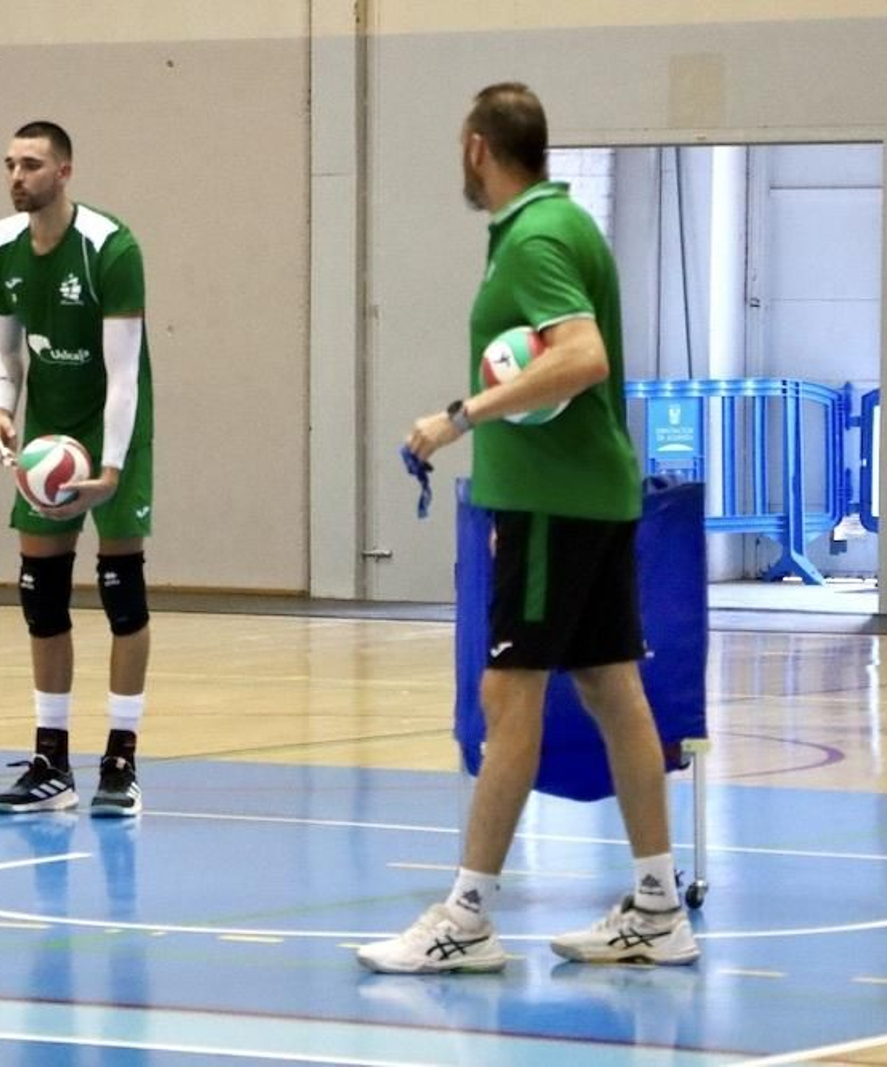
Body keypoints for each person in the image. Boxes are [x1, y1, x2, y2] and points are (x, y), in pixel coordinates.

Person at [357, 84, 700, 972]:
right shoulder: (564, 226)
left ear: (477, 149)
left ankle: (467, 917)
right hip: (588, 499)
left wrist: (458, 417)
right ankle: (659, 906)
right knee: (613, 690)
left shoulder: (539, 237)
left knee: (508, 697)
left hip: (553, 505)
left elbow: (583, 358)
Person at [0, 120, 154, 818]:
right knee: (41, 595)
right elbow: (6, 352)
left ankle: (121, 760)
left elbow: (124, 374)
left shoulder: (111, 249)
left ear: (65, 172)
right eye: (10, 164)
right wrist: (1, 408)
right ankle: (51, 762)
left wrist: (111, 466)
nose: (17, 176)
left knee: (121, 591)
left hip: (115, 429)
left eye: (32, 164)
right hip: (48, 431)